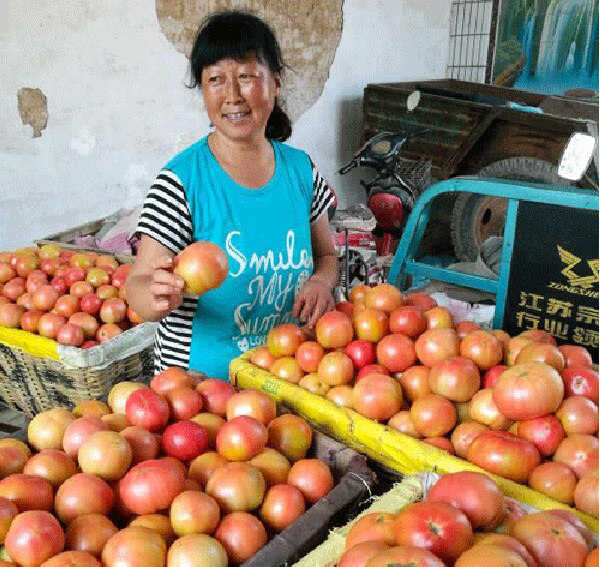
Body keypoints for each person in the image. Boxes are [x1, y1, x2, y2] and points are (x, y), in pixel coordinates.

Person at [124, 9, 338, 380]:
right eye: (216, 80)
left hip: (286, 374)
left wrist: (321, 281)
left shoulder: (302, 171)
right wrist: (155, 298)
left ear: (276, 82)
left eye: (246, 77)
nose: (233, 95)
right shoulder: (180, 182)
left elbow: (327, 255)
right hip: (200, 387)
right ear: (204, 91)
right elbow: (138, 285)